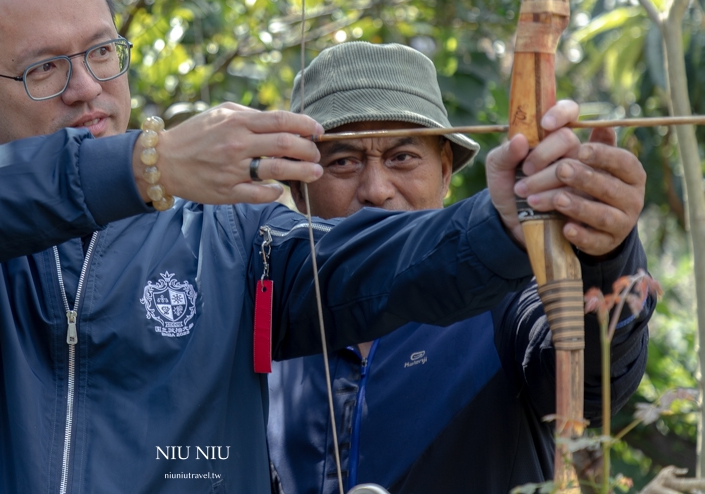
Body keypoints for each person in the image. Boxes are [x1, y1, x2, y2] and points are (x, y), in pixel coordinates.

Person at [0, 0, 644, 494]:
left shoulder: (236, 241)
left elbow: (370, 262)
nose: (86, 87)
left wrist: (504, 217)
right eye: (44, 67)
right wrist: (150, 162)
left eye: (102, 50)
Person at [267, 42, 652, 494]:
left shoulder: (505, 299)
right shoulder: (266, 322)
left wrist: (604, 253)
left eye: (402, 158)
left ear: (446, 171)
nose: (376, 189)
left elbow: (591, 382)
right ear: (298, 190)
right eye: (343, 162)